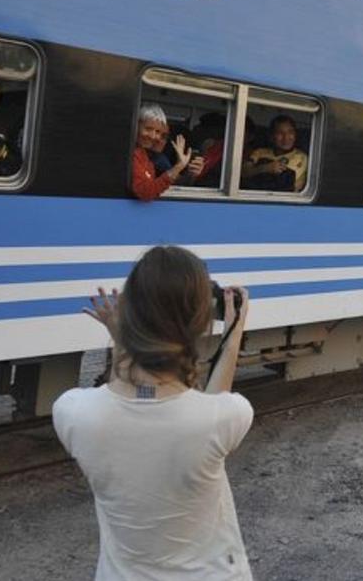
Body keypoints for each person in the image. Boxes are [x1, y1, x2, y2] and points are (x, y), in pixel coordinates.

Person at [53, 245, 254, 580]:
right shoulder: (227, 417)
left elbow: (131, 397)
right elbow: (203, 410)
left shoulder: (73, 413)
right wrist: (232, 335)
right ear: (199, 323)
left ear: (129, 311)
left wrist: (121, 340)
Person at [129, 104, 203, 201]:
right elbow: (145, 192)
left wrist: (191, 174)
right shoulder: (134, 153)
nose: (153, 136)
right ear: (136, 126)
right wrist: (178, 167)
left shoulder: (148, 156)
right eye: (148, 129)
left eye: (158, 132)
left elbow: (170, 185)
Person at [241, 114, 308, 192]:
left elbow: (286, 185)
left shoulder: (301, 157)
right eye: (280, 133)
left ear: (295, 135)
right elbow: (244, 172)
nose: (286, 137)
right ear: (271, 136)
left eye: (290, 132)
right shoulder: (260, 152)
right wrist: (265, 168)